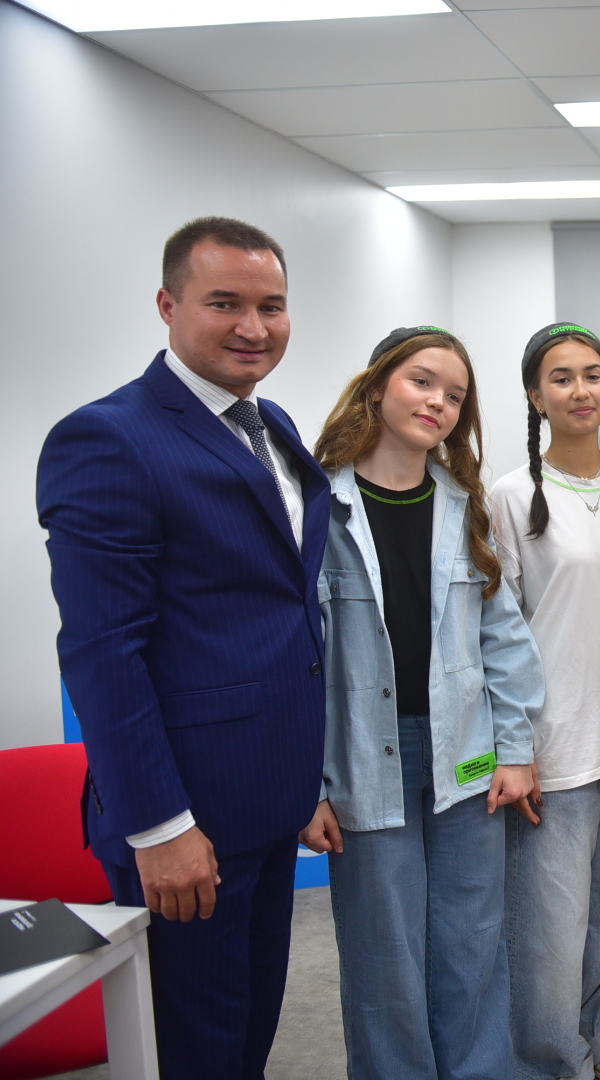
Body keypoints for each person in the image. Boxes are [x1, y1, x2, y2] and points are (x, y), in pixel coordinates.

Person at [36, 216, 330, 1079]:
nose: (253, 326)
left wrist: (304, 784)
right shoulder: (109, 438)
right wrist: (160, 827)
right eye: (224, 303)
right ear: (168, 306)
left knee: (248, 1031)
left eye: (271, 306)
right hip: (186, 816)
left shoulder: (270, 422)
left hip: (269, 797)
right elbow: (103, 654)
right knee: (195, 1048)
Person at [297, 326, 543, 1080]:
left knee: (473, 936)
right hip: (362, 757)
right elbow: (298, 662)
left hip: (463, 750)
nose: (439, 402)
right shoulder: (316, 506)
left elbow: (505, 639)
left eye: (456, 395)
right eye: (422, 382)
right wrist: (308, 786)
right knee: (385, 948)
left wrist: (516, 750)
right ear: (376, 386)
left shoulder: (463, 504)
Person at [490, 322, 600, 1080]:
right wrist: (513, 745)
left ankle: (599, 1025)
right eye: (561, 378)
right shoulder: (510, 496)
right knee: (554, 925)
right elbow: (497, 629)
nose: (580, 390)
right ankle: (557, 1055)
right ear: (536, 395)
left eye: (593, 375)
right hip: (554, 742)